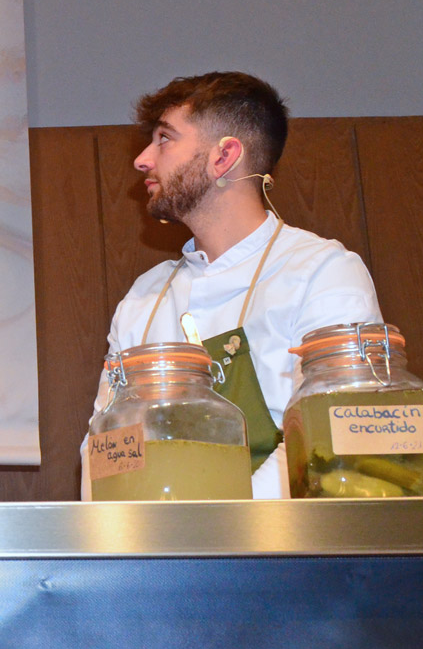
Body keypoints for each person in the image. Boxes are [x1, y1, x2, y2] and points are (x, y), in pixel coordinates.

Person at [84, 71, 381, 500]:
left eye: (165, 138)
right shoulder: (145, 296)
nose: (143, 159)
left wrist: (213, 535)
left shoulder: (322, 272)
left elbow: (329, 437)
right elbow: (103, 448)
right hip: (146, 553)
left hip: (280, 554)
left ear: (224, 157)